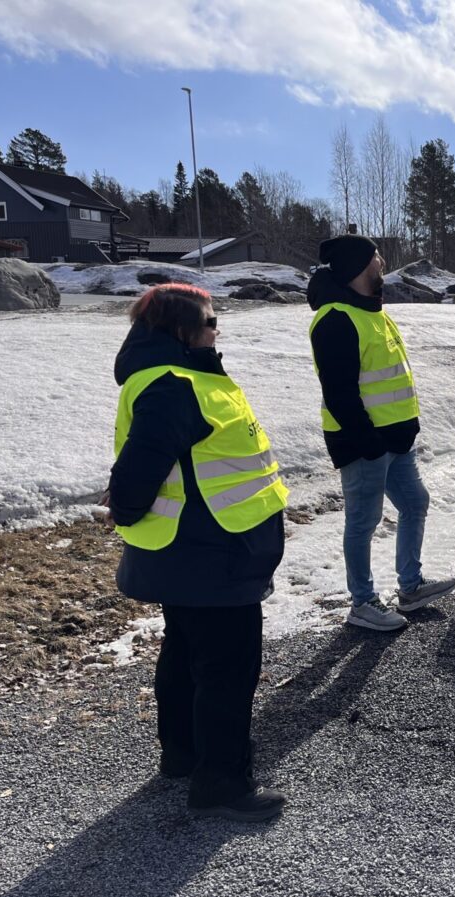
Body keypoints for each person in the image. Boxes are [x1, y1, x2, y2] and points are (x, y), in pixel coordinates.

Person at [107, 283, 288, 822]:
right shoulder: (173, 385)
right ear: (183, 332)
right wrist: (125, 505)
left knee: (187, 655)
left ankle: (184, 756)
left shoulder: (182, 379)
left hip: (200, 552)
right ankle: (222, 784)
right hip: (210, 553)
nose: (217, 331)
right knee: (228, 670)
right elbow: (139, 470)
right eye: (210, 323)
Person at [307, 235, 455, 630]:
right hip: (364, 444)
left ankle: (410, 587)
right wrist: (369, 443)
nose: (382, 262)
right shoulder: (336, 318)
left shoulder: (375, 312)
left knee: (414, 503)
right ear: (357, 266)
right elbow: (339, 394)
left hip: (397, 440)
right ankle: (362, 603)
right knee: (363, 522)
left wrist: (408, 426)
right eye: (375, 257)